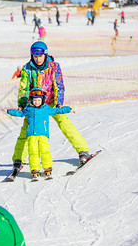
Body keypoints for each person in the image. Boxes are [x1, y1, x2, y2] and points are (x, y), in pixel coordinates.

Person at [10, 41, 90, 174]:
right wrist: (22, 104)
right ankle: (18, 159)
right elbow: (24, 88)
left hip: (52, 102)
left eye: (40, 56)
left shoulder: (54, 67)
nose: (38, 59)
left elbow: (59, 85)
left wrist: (59, 102)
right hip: (35, 106)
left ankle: (83, 150)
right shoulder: (27, 69)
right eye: (35, 56)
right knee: (26, 132)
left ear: (45, 55)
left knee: (65, 124)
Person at [7, 88, 72, 179]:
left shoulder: (46, 109)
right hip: (31, 135)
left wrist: (67, 109)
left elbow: (57, 111)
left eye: (38, 100)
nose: (36, 102)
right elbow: (20, 113)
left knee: (44, 151)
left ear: (43, 100)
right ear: (31, 100)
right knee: (33, 152)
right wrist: (10, 111)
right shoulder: (29, 109)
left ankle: (47, 168)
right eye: (34, 100)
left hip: (43, 134)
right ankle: (35, 170)